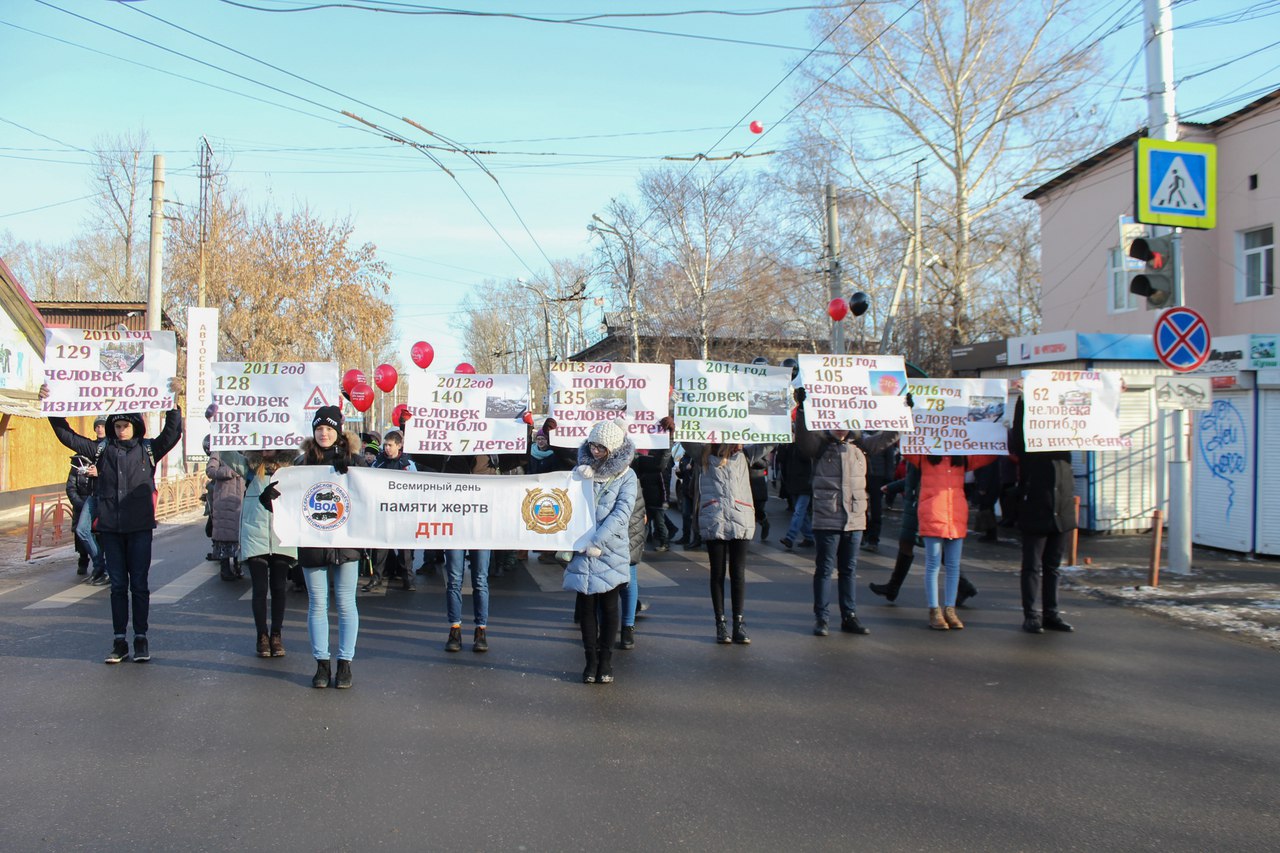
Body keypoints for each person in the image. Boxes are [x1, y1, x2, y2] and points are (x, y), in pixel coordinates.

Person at [45, 387, 183, 664]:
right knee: (118, 586)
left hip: (139, 528)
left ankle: (141, 638)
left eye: (126, 425)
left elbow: (172, 432)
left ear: (136, 426)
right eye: (117, 425)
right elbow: (66, 435)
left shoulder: (148, 449)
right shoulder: (101, 449)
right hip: (110, 528)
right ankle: (120, 641)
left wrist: (174, 403)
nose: (121, 430)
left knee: (140, 586)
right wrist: (52, 404)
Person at [264, 405, 365, 688]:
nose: (324, 434)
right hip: (313, 543)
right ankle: (322, 665)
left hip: (346, 543)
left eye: (329, 429)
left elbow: (372, 496)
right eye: (319, 429)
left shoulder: (354, 461)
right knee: (317, 605)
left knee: (346, 604)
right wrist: (270, 497)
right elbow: (286, 499)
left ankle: (345, 664)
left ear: (338, 431)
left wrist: (354, 472)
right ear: (313, 432)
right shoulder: (301, 463)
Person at [796, 405, 899, 636]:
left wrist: (903, 411)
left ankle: (849, 616)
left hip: (854, 518)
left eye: (845, 423)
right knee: (824, 570)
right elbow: (803, 439)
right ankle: (822, 618)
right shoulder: (820, 445)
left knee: (849, 570)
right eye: (836, 422)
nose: (841, 428)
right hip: (827, 517)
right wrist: (802, 411)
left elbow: (889, 436)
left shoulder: (861, 445)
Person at [563, 419, 637, 683]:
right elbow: (566, 505)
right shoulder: (581, 470)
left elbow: (622, 513)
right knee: (585, 606)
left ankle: (605, 661)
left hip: (610, 550)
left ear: (613, 449)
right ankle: (590, 661)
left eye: (601, 448)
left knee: (608, 607)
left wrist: (599, 541)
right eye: (593, 445)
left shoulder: (627, 476)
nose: (595, 451)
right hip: (582, 547)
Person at [904, 452, 999, 630]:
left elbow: (988, 455)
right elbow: (908, 449)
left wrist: (1000, 436)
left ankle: (949, 609)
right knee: (933, 564)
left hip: (955, 514)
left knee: (953, 565)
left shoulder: (962, 457)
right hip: (933, 512)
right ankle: (934, 609)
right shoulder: (925, 455)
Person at [217, 446, 296, 657]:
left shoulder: (292, 468)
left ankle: (276, 634)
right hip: (255, 534)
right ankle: (262, 635)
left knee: (279, 587)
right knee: (260, 589)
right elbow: (225, 453)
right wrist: (217, 424)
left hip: (282, 535)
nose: (266, 448)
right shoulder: (250, 467)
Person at [867, 462, 979, 606]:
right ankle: (893, 588)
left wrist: (894, 487)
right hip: (917, 501)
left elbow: (922, 478)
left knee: (926, 546)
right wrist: (893, 487)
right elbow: (914, 478)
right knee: (913, 544)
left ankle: (962, 587)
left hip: (920, 503)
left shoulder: (926, 453)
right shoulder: (921, 452)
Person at [1010, 397, 1076, 634]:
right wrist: (1023, 400)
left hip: (1063, 513)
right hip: (1036, 511)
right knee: (1032, 567)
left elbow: (1093, 420)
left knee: (1053, 567)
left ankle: (1051, 613)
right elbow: (1018, 433)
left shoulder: (1066, 446)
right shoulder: (1030, 448)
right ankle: (1031, 615)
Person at [696, 442, 755, 644]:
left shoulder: (744, 454)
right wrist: (673, 427)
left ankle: (739, 623)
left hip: (740, 518)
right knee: (717, 573)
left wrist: (789, 415)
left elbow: (771, 440)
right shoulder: (704, 454)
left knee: (738, 573)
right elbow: (685, 439)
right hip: (716, 519)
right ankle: (721, 624)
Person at [366, 429, 416, 591]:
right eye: (385, 445)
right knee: (380, 547)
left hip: (402, 512)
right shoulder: (378, 462)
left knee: (405, 549)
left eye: (390, 445)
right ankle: (378, 577)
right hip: (383, 511)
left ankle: (407, 579)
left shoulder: (408, 464)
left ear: (399, 446)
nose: (386, 448)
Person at [206, 441, 245, 581]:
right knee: (225, 534)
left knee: (240, 533)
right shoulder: (220, 450)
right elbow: (210, 470)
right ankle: (225, 568)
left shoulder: (247, 449)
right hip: (224, 498)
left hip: (242, 497)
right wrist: (229, 471)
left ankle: (238, 565)